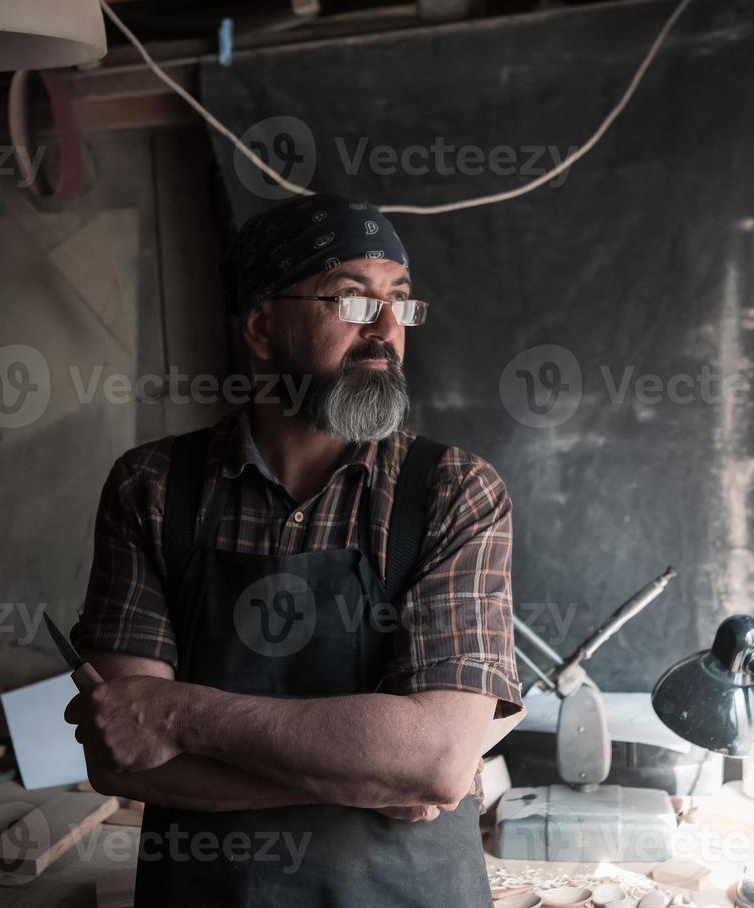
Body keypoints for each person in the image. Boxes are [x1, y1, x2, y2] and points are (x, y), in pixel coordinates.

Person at [64, 193, 520, 907]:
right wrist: (374, 776)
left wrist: (179, 716)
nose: (389, 331)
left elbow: (436, 761)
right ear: (262, 327)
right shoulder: (152, 489)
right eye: (354, 301)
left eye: (401, 302)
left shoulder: (453, 491)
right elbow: (123, 758)